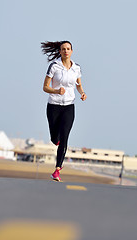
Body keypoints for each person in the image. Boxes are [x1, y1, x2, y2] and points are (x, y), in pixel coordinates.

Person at [41, 40, 87, 181]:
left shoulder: (76, 68)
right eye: (63, 49)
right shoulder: (54, 66)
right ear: (60, 51)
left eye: (68, 49)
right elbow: (45, 87)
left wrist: (82, 93)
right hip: (53, 106)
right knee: (55, 138)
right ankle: (56, 140)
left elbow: (78, 84)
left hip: (69, 106)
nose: (66, 51)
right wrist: (56, 91)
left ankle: (57, 170)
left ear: (72, 51)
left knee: (65, 137)